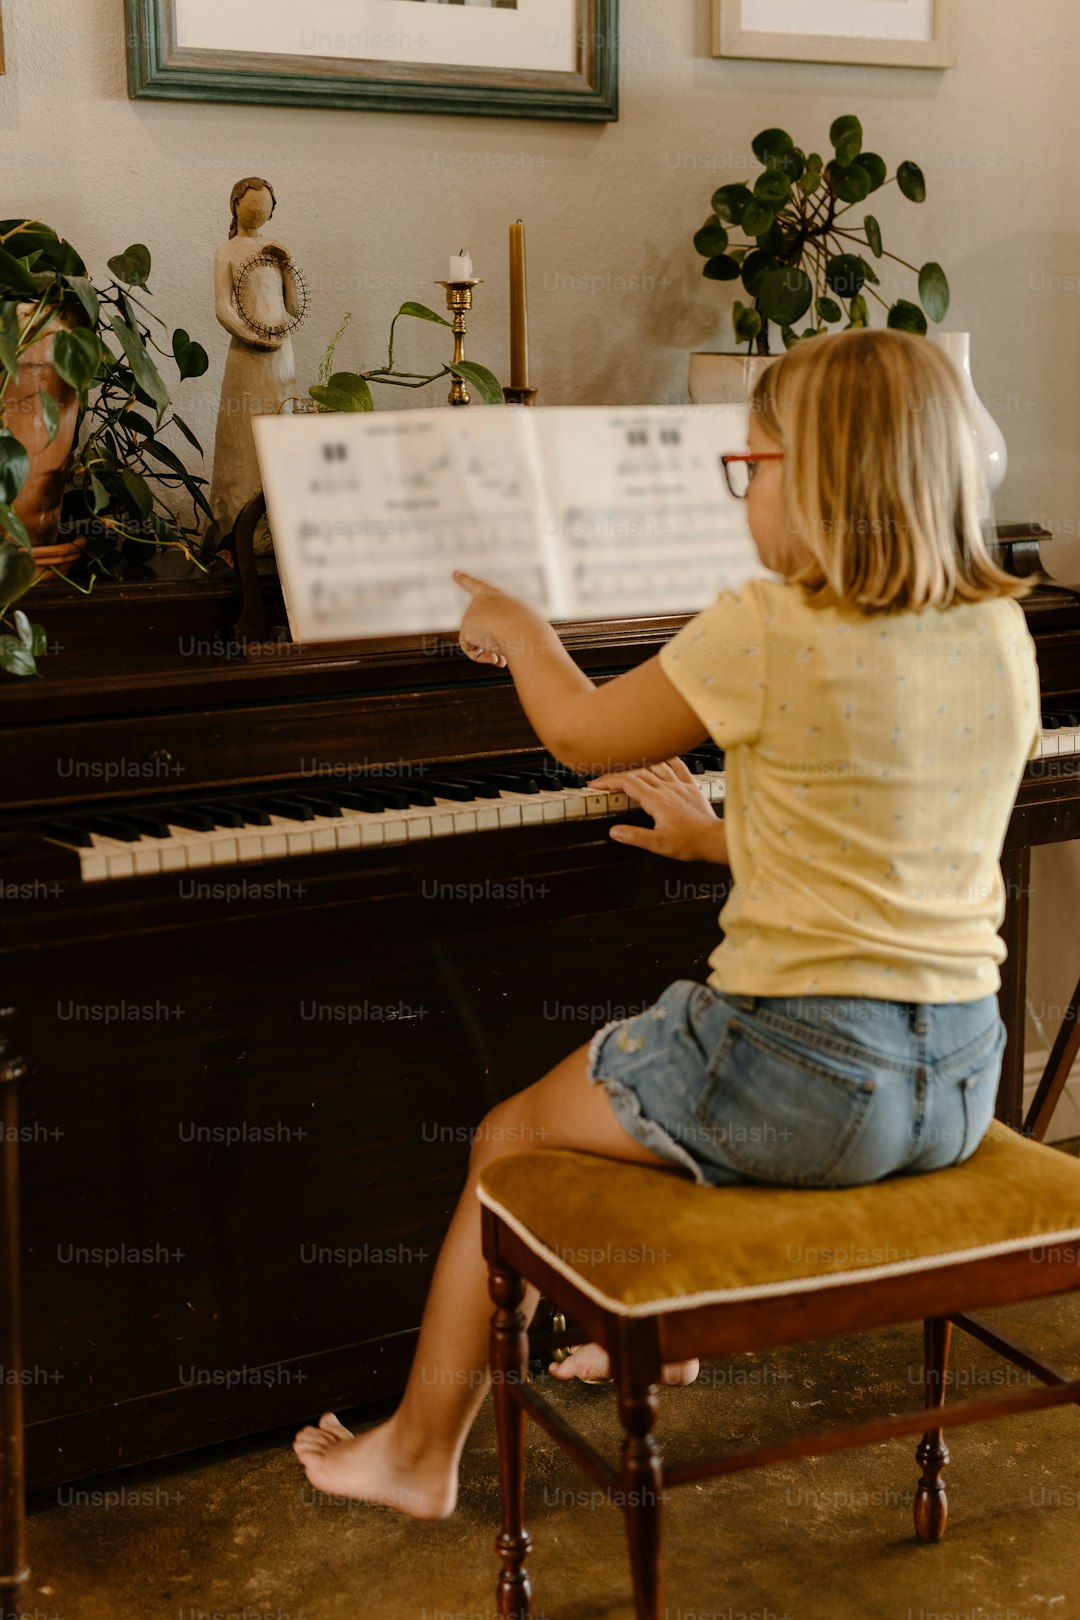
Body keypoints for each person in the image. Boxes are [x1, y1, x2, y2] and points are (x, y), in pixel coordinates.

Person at [294, 328, 1042, 1519]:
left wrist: (524, 631)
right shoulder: (998, 629)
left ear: (822, 478)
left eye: (754, 466)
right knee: (676, 1089)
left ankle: (419, 1454)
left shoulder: (763, 622)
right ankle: (663, 1330)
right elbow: (891, 828)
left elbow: (585, 738)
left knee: (511, 1144)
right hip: (956, 1079)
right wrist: (715, 838)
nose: (745, 490)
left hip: (806, 1084)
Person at [209, 177, 302, 538]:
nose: (259, 211)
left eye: (265, 207)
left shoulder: (275, 250)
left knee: (281, 425)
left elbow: (292, 308)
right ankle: (235, 525)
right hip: (248, 357)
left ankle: (275, 528)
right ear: (235, 204)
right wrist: (253, 336)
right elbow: (221, 306)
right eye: (252, 205)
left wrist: (288, 264)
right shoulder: (226, 252)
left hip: (282, 358)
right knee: (243, 432)